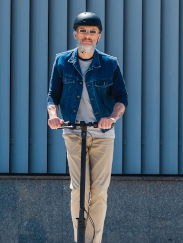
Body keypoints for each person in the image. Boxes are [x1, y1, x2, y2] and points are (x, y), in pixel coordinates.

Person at [46, 12, 128, 243]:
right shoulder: (62, 62)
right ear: (75, 34)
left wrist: (111, 118)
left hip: (102, 134)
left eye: (92, 32)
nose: (87, 36)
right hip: (73, 132)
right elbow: (53, 95)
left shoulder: (109, 64)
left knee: (100, 191)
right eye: (83, 31)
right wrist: (53, 116)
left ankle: (94, 242)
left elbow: (121, 98)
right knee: (78, 190)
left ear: (99, 36)